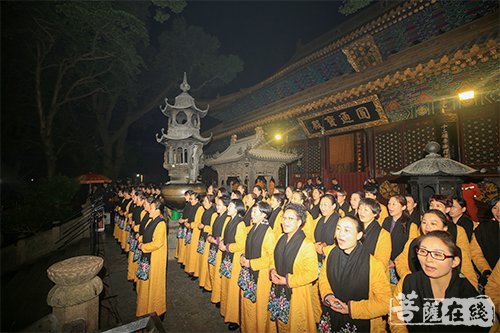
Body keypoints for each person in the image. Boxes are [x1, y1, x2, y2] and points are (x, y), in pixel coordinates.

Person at [390, 231, 489, 332]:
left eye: (438, 254)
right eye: (423, 251)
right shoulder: (408, 282)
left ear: (455, 261)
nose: (428, 260)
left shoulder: (469, 296)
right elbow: (397, 318)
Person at [319, 216, 391, 332]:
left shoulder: (372, 264)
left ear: (359, 235)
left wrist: (350, 309)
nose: (340, 234)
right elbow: (324, 278)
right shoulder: (331, 253)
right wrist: (329, 296)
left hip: (359, 321)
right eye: (338, 228)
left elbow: (385, 303)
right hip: (331, 314)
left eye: (347, 230)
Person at [394, 210, 478, 289]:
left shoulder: (455, 251)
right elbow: (400, 262)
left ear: (444, 228)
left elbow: (470, 278)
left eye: (433, 223)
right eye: (424, 222)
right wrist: (411, 279)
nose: (427, 227)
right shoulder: (413, 243)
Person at [268, 203, 318, 333]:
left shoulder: (306, 245)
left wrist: (287, 281)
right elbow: (273, 258)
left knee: (295, 326)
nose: (285, 222)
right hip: (278, 289)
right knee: (280, 324)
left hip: (296, 293)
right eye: (284, 218)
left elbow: (312, 274)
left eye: (290, 219)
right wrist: (272, 270)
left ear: (299, 222)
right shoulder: (280, 237)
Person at [239, 201, 276, 333]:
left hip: (261, 276)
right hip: (249, 272)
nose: (252, 214)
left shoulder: (269, 233)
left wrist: (251, 263)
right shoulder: (253, 228)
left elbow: (271, 258)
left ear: (264, 214)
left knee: (259, 308)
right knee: (248, 305)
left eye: (255, 212)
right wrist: (243, 255)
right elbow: (247, 246)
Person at [136, 197, 167, 318]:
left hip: (155, 258)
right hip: (147, 256)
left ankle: (157, 309)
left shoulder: (161, 223)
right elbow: (147, 234)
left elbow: (157, 243)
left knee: (155, 285)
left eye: (152, 208)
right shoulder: (151, 219)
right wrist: (141, 240)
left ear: (157, 210)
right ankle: (145, 307)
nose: (149, 210)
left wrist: (143, 246)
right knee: (146, 284)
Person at [219, 199, 247, 330]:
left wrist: (227, 247)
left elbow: (241, 245)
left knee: (233, 289)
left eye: (230, 206)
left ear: (236, 209)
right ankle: (226, 310)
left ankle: (235, 318)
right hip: (227, 257)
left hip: (234, 259)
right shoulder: (229, 220)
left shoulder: (240, 224)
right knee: (226, 285)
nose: (228, 208)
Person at [382, 195, 416, 284]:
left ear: (403, 207)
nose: (390, 207)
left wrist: (395, 262)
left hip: (400, 264)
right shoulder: (386, 221)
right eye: (389, 204)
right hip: (385, 262)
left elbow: (409, 247)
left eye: (394, 204)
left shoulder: (410, 225)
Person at [470, 197, 500, 289]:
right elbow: (476, 253)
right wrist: (487, 271)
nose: (498, 212)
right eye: (495, 208)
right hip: (492, 281)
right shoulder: (483, 230)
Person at [207, 195, 231, 306]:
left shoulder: (226, 219)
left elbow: (224, 237)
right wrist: (210, 235)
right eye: (216, 204)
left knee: (218, 274)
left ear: (226, 207)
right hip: (213, 247)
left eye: (219, 205)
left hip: (219, 248)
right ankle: (214, 293)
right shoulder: (217, 216)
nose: (217, 206)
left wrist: (214, 240)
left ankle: (220, 298)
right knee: (212, 270)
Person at [357, 198, 391, 272]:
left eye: (365, 210)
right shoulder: (355, 229)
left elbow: (382, 263)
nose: (361, 212)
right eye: (360, 208)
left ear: (375, 214)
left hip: (372, 273)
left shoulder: (384, 234)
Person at [197, 194, 218, 291]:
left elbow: (213, 228)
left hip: (208, 239)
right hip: (203, 237)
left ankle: (208, 284)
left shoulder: (213, 214)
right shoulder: (206, 211)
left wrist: (204, 227)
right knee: (202, 260)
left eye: (206, 201)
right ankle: (203, 281)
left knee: (206, 262)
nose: (204, 203)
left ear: (211, 203)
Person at [184, 192, 205, 279]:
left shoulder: (200, 208)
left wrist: (191, 225)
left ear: (197, 200)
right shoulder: (192, 207)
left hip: (196, 231)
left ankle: (195, 271)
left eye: (191, 199)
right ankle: (190, 269)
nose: (190, 200)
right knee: (190, 251)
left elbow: (199, 221)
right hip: (191, 230)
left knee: (194, 252)